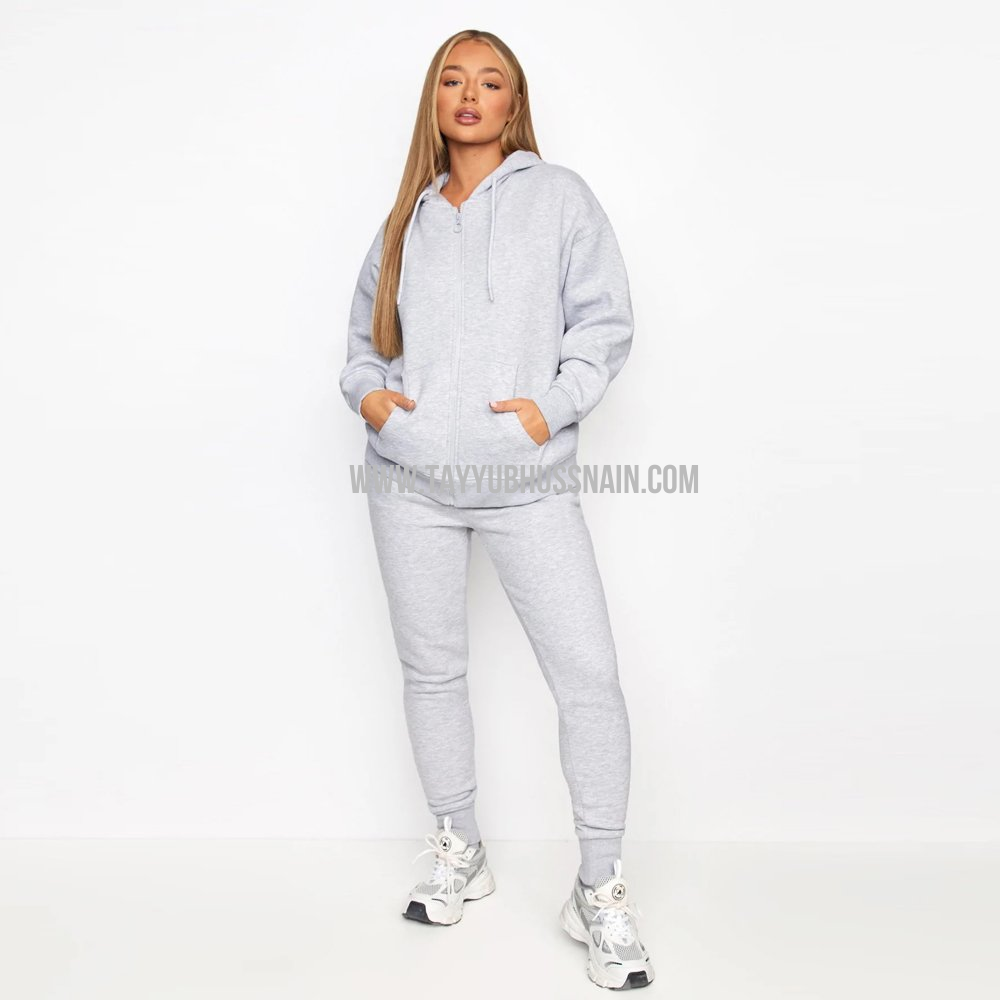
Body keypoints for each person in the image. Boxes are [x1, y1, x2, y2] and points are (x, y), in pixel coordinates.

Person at [339, 29, 654, 990]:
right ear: (434, 101)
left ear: (514, 105)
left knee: (589, 679)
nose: (469, 95)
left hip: (528, 486)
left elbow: (606, 323)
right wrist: (377, 403)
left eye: (490, 82)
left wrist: (548, 411)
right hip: (409, 486)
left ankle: (598, 888)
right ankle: (459, 846)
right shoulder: (405, 220)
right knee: (432, 672)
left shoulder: (560, 199)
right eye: (452, 79)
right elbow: (361, 346)